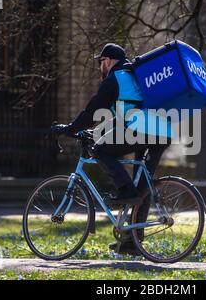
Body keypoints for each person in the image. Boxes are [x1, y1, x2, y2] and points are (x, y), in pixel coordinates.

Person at [52, 43, 171, 255]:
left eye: (101, 62)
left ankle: (125, 191)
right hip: (161, 131)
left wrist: (70, 129)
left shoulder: (115, 78)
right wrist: (96, 133)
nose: (101, 66)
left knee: (100, 151)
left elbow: (94, 110)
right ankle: (132, 243)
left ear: (107, 60)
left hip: (141, 129)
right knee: (141, 187)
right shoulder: (134, 74)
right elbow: (116, 115)